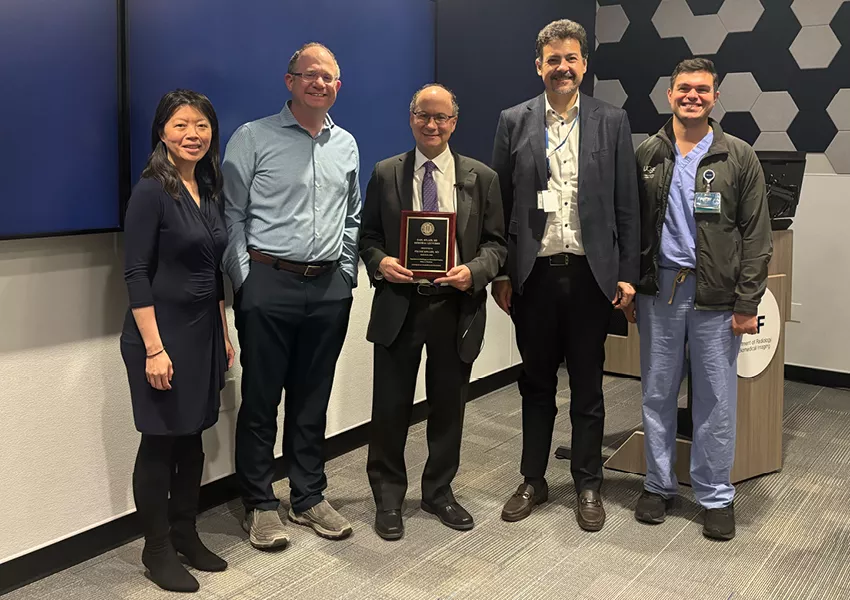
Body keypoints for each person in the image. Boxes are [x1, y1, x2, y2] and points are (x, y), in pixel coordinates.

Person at [490, 19, 640, 532]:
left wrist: (627, 273)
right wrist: (502, 272)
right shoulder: (514, 120)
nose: (562, 67)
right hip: (533, 276)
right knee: (535, 383)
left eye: (571, 58)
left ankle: (588, 482)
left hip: (590, 276)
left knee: (588, 386)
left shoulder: (611, 120)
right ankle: (532, 479)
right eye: (553, 59)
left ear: (584, 64)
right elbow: (500, 204)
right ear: (539, 66)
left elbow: (627, 204)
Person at [222, 42, 360, 549]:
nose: (319, 83)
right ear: (290, 81)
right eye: (309, 74)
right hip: (268, 282)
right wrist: (246, 281)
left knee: (312, 398)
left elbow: (352, 215)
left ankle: (307, 496)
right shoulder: (252, 137)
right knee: (262, 399)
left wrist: (346, 273)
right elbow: (231, 213)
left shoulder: (346, 144)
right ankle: (259, 502)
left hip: (327, 287)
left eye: (328, 77)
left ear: (337, 86)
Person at [627, 58, 772, 541]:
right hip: (661, 293)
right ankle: (658, 485)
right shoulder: (648, 153)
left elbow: (757, 236)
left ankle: (714, 495)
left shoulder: (738, 156)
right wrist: (629, 284)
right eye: (684, 88)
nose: (693, 96)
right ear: (670, 95)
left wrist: (747, 302)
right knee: (657, 393)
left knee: (715, 399)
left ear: (714, 97)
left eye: (703, 89)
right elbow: (631, 227)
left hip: (717, 296)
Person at [359, 84, 506, 540]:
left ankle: (439, 491)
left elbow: (497, 244)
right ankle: (388, 497)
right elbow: (368, 237)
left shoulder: (481, 177)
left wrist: (473, 271)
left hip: (454, 307)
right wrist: (381, 262)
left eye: (441, 117)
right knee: (390, 407)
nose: (432, 124)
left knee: (448, 406)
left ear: (454, 123)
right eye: (424, 115)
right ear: (411, 118)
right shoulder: (386, 172)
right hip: (399, 306)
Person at [121, 89, 233, 593]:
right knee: (160, 441)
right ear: (162, 132)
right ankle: (157, 548)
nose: (193, 135)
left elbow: (213, 269)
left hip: (203, 333)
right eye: (181, 125)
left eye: (202, 125)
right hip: (160, 336)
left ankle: (186, 531)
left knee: (193, 437)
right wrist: (154, 349)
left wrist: (223, 331)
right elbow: (135, 273)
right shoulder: (151, 191)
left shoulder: (207, 187)